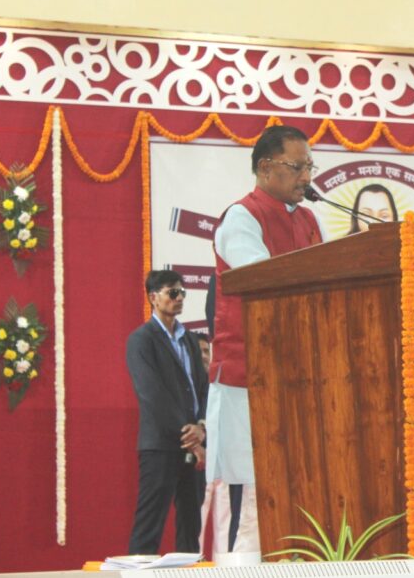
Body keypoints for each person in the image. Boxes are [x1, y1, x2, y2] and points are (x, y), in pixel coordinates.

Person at [207, 125, 323, 553]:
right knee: (248, 495)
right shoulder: (242, 216)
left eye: (309, 167)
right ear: (264, 167)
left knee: (292, 487)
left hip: (296, 376)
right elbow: (264, 281)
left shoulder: (308, 220)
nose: (306, 177)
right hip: (247, 378)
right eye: (297, 167)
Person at [125, 270, 209, 554]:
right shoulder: (141, 340)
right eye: (173, 293)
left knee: (191, 523)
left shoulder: (190, 341)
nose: (179, 298)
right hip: (161, 444)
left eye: (182, 292)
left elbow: (203, 388)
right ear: (154, 297)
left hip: (194, 444)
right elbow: (152, 394)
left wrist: (201, 427)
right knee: (150, 523)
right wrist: (190, 436)